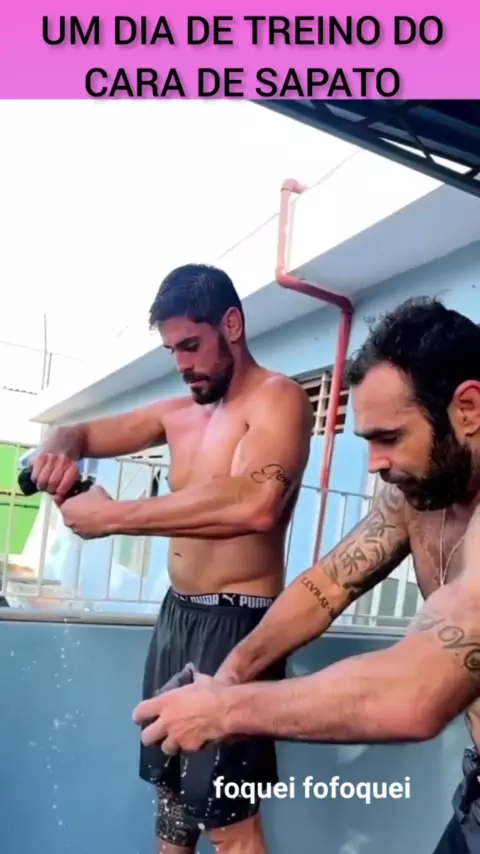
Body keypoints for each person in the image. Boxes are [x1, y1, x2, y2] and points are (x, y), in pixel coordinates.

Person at [133, 297, 480, 854]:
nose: (374, 463)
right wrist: (230, 674)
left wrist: (227, 710)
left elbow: (417, 693)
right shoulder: (416, 499)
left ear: (468, 408)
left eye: (390, 437)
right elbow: (328, 586)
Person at [30, 263, 313, 854]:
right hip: (177, 616)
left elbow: (256, 503)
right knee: (171, 804)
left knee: (229, 821)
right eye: (172, 351)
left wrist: (113, 517)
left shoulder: (278, 398)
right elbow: (81, 434)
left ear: (231, 325)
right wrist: (56, 448)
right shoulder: (178, 413)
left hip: (239, 624)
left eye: (191, 345)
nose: (182, 363)